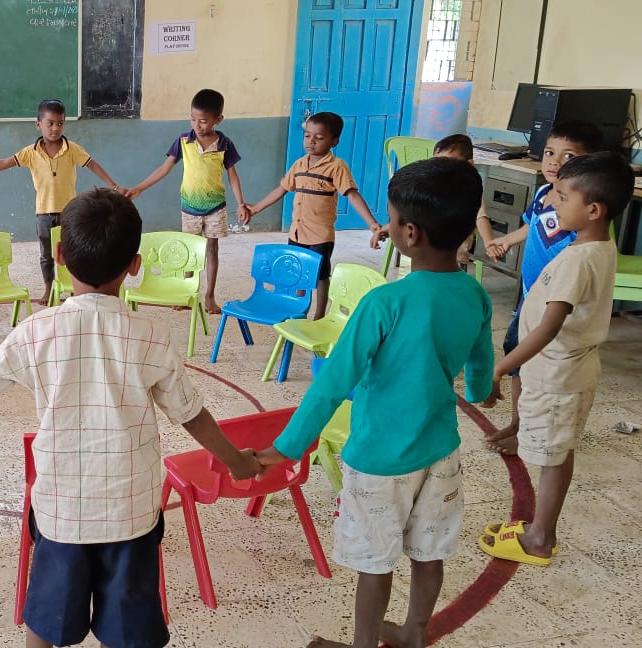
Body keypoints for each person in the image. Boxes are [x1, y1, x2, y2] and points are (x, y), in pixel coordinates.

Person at [0, 188, 263, 648]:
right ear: (135, 265)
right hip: (130, 512)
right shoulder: (151, 335)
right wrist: (236, 461)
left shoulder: (35, 331)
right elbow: (191, 415)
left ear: (59, 256)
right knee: (131, 629)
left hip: (60, 513)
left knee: (47, 619)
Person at [253, 158, 494, 648]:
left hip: (379, 460)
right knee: (429, 555)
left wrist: (285, 448)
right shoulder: (474, 294)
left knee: (374, 564)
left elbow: (331, 384)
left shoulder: (384, 303)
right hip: (441, 450)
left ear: (409, 233)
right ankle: (413, 633)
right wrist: (477, 390)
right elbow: (481, 374)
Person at [479, 152, 633, 568]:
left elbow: (548, 328)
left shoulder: (579, 260)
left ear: (594, 210)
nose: (550, 203)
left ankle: (539, 539)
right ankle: (539, 529)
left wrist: (500, 366)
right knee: (557, 452)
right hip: (568, 371)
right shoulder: (597, 245)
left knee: (551, 458)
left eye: (562, 197)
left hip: (557, 376)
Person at [481, 120, 603, 451]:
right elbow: (533, 227)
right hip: (530, 294)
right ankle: (518, 423)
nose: (554, 162)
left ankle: (532, 431)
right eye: (550, 152)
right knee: (519, 359)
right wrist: (506, 240)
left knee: (539, 360)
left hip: (556, 297)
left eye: (568, 156)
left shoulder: (578, 210)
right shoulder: (542, 194)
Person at [0, 99, 123, 305]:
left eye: (60, 123)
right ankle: (48, 287)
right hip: (43, 213)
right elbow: (3, 162)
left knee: (72, 252)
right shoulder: (31, 152)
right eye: (50, 123)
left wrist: (114, 185)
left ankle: (74, 287)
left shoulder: (72, 149)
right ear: (38, 124)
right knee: (46, 255)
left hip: (69, 212)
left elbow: (93, 165)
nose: (55, 128)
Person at [244, 112, 381, 319]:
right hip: (297, 232)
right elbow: (281, 190)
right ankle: (300, 308)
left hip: (320, 235)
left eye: (319, 137)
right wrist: (255, 209)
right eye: (307, 135)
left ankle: (319, 314)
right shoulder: (299, 164)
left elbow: (352, 195)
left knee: (320, 276)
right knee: (298, 272)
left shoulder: (337, 167)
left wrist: (372, 224)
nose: (311, 141)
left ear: (334, 141)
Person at [125, 88, 247, 315]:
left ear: (218, 120)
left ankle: (209, 295)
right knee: (190, 252)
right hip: (190, 207)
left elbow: (232, 175)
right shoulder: (183, 141)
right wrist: (139, 188)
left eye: (203, 121)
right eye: (192, 119)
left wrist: (241, 203)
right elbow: (165, 168)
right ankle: (186, 292)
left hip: (215, 207)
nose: (197, 125)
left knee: (212, 249)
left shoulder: (224, 144)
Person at [432, 134, 493, 271]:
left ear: (469, 165)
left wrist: (489, 243)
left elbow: (481, 217)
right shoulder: (433, 188)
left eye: (450, 164)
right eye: (438, 164)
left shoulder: (470, 192)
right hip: (429, 255)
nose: (443, 170)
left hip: (455, 260)